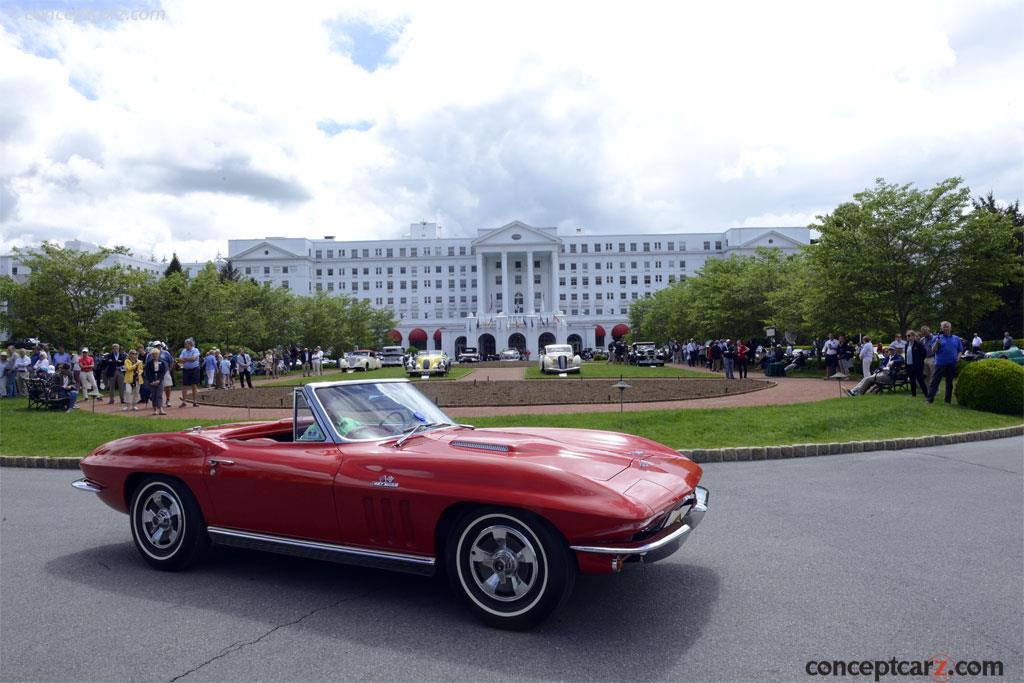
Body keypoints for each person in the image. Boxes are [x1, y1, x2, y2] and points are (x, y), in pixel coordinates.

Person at [928, 321, 964, 404]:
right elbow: (933, 351)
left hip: (951, 363)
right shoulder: (937, 337)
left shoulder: (956, 338)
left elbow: (960, 350)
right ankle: (930, 400)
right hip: (940, 364)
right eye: (944, 327)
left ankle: (947, 400)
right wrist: (937, 342)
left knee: (949, 383)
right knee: (935, 382)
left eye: (947, 326)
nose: (945, 328)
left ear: (950, 328)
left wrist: (958, 358)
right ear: (941, 328)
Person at [144, 348, 168, 415]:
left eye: (156, 354)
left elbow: (163, 372)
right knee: (153, 395)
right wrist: (152, 381)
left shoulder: (162, 362)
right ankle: (155, 409)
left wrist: (159, 380)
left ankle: (160, 409)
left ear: (158, 354)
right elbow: (148, 373)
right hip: (152, 380)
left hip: (160, 380)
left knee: (159, 394)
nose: (155, 356)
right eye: (153, 354)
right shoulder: (149, 363)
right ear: (152, 355)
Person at [178, 338, 201, 407]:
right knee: (184, 385)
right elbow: (180, 360)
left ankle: (195, 401)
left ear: (190, 344)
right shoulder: (183, 351)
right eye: (185, 344)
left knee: (194, 385)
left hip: (194, 369)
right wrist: (189, 359)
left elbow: (194, 359)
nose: (185, 345)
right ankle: (184, 402)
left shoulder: (195, 350)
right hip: (186, 369)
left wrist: (185, 359)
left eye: (186, 344)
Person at [904, 330, 928, 398]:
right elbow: (906, 355)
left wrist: (919, 361)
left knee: (920, 380)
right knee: (912, 380)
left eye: (909, 335)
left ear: (913, 336)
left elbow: (924, 353)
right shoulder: (906, 345)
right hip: (909, 365)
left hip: (917, 365)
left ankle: (926, 394)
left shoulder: (918, 344)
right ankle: (913, 395)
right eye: (907, 336)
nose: (908, 337)